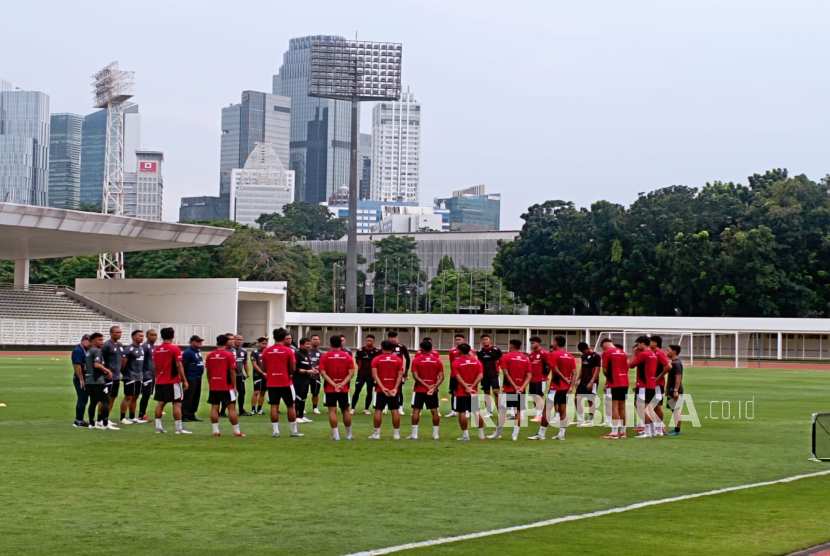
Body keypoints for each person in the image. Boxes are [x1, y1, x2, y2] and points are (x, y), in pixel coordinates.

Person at [529, 336, 575, 440]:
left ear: (556, 343)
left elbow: (555, 369)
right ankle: (561, 434)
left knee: (547, 410)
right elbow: (574, 372)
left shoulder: (553, 354)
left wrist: (564, 379)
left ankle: (541, 434)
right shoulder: (570, 355)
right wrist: (571, 385)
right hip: (566, 388)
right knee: (563, 410)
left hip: (556, 386)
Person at [261, 328, 303, 438]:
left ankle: (276, 431)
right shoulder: (288, 350)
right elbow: (293, 367)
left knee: (274, 407)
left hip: (272, 383)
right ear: (285, 337)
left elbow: (264, 367)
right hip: (285, 382)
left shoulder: (266, 351)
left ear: (274, 337)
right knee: (291, 406)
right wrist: (288, 373)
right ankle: (293, 431)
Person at [490, 339, 531, 441]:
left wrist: (514, 386)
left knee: (502, 411)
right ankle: (514, 435)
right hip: (521, 390)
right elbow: (529, 375)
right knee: (518, 412)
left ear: (511, 346)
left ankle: (498, 433)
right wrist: (521, 387)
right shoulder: (525, 358)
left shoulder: (506, 356)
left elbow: (506, 373)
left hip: (509, 389)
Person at [206, 334, 245, 437]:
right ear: (227, 342)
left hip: (214, 385)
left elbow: (208, 372)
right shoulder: (229, 355)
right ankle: (237, 432)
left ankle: (215, 431)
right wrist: (234, 386)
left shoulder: (210, 355)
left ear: (217, 342)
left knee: (214, 408)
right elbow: (232, 372)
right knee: (231, 408)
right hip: (226, 386)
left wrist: (211, 383)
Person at [153, 327, 190, 434]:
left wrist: (157, 377)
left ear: (161, 336)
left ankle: (158, 427)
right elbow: (179, 366)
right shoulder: (175, 348)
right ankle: (179, 429)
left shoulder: (157, 349)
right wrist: (184, 380)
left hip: (160, 380)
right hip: (172, 381)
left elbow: (155, 366)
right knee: (177, 403)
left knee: (160, 403)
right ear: (173, 336)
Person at [318, 335, 355, 440]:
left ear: (330, 344)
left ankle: (336, 435)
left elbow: (323, 372)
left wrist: (334, 384)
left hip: (330, 388)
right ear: (341, 344)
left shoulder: (325, 356)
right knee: (345, 410)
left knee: (332, 411)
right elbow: (351, 372)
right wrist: (342, 384)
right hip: (344, 388)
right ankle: (348, 435)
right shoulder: (347, 356)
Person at [368, 340, 405, 439]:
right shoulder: (398, 360)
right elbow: (400, 375)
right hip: (393, 390)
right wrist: (395, 388)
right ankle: (396, 434)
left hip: (380, 390)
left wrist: (382, 388)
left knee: (378, 410)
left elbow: (374, 375)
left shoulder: (376, 359)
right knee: (395, 411)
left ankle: (377, 434)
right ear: (392, 348)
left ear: (381, 347)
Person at [409, 339, 444, 440]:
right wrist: (433, 387)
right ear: (431, 349)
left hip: (419, 389)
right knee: (434, 411)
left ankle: (414, 434)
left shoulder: (416, 360)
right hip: (433, 391)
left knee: (416, 410)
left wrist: (426, 386)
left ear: (421, 348)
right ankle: (436, 434)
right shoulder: (437, 361)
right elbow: (441, 377)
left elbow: (416, 376)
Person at [450, 343, 484, 441]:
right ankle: (481, 435)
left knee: (462, 412)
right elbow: (480, 375)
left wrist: (466, 387)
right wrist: (472, 387)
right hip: (473, 391)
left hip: (461, 391)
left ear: (459, 351)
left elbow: (458, 377)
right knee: (476, 411)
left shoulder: (456, 363)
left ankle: (466, 435)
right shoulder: (476, 362)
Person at [600, 338, 631, 439]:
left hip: (614, 381)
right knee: (622, 407)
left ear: (605, 345)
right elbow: (627, 367)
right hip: (624, 381)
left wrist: (609, 379)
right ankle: (623, 431)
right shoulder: (623, 352)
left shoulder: (607, 353)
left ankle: (614, 432)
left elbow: (604, 369)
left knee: (614, 407)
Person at [85, 333, 117, 430]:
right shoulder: (97, 351)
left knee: (93, 401)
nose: (102, 342)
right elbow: (97, 365)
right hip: (97, 380)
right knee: (105, 400)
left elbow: (86, 366)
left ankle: (91, 423)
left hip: (89, 380)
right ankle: (105, 424)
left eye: (102, 340)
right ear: (92, 341)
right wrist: (107, 370)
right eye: (99, 340)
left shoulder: (89, 351)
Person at [629, 336, 659, 439]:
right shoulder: (653, 354)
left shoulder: (643, 354)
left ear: (642, 344)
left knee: (644, 407)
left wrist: (633, 353)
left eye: (638, 344)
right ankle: (652, 430)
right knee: (649, 408)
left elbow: (631, 365)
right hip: (651, 384)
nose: (637, 346)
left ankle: (647, 431)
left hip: (643, 385)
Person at [119, 330, 145, 425]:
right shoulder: (128, 349)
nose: (141, 338)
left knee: (136, 396)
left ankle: (132, 416)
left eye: (142, 336)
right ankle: (122, 417)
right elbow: (123, 364)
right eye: (139, 336)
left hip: (139, 377)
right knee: (128, 396)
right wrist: (125, 374)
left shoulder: (141, 349)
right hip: (130, 376)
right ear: (134, 337)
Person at [352, 334, 381, 415]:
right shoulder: (360, 350)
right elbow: (357, 360)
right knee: (357, 391)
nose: (369, 342)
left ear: (374, 341)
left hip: (371, 375)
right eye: (367, 340)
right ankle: (352, 408)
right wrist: (361, 369)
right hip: (361, 374)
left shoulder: (377, 351)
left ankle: (366, 409)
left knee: (369, 391)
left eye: (370, 340)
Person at [650, 335, 672, 436]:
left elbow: (668, 366)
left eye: (651, 341)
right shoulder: (652, 353)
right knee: (652, 406)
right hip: (652, 384)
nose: (649, 343)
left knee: (656, 405)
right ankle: (656, 426)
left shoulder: (660, 353)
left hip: (658, 384)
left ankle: (661, 427)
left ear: (656, 343)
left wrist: (658, 378)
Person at [575, 341, 601, 426]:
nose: (583, 353)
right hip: (583, 380)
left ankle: (590, 420)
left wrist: (592, 382)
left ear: (587, 348)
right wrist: (577, 379)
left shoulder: (596, 356)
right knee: (576, 399)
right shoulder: (583, 356)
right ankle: (580, 419)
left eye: (584, 351)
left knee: (590, 400)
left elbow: (597, 370)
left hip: (592, 380)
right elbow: (582, 368)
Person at [476, 334, 503, 417]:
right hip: (484, 375)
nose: (485, 341)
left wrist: (500, 369)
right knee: (486, 393)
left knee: (496, 392)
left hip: (494, 374)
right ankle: (489, 411)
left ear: (490, 340)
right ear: (481, 341)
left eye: (486, 339)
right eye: (483, 339)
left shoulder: (496, 350)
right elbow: (479, 363)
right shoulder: (480, 351)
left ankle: (500, 411)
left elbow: (501, 360)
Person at [181, 335, 205, 422]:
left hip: (198, 376)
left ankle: (191, 414)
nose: (200, 343)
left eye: (200, 341)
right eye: (197, 341)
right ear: (192, 342)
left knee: (196, 397)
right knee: (189, 397)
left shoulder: (197, 351)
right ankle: (184, 414)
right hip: (190, 377)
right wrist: (183, 378)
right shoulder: (188, 352)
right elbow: (183, 365)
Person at [101, 326, 124, 415]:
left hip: (116, 376)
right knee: (106, 398)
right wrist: (105, 371)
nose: (119, 334)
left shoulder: (120, 345)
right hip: (108, 376)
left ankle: (107, 417)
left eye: (120, 333)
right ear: (111, 333)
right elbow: (100, 359)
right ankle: (101, 418)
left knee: (113, 397)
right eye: (116, 332)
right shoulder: (107, 345)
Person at [387, 331, 410, 415]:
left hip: (399, 372)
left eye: (395, 337)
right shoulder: (385, 346)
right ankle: (385, 407)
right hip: (387, 372)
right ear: (388, 338)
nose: (394, 339)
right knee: (385, 388)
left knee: (399, 389)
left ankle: (400, 407)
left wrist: (406, 371)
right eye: (392, 337)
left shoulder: (402, 347)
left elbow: (408, 359)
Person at [293, 338, 315, 423]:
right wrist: (306, 371)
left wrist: (313, 370)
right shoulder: (297, 354)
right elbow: (295, 368)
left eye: (309, 344)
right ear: (301, 345)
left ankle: (301, 415)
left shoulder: (307, 354)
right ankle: (295, 416)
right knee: (298, 398)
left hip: (306, 379)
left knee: (304, 398)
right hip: (299, 380)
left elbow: (308, 366)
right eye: (307, 344)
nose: (309, 346)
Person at [527, 336, 549, 423]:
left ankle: (540, 415)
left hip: (541, 378)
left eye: (533, 343)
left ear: (539, 343)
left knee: (539, 396)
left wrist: (545, 375)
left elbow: (549, 365)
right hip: (532, 379)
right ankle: (538, 414)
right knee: (533, 396)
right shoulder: (531, 354)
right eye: (531, 343)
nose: (532, 345)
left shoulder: (544, 353)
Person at [71, 334, 91, 428]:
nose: (90, 343)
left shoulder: (87, 349)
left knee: (85, 398)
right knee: (82, 398)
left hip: (87, 377)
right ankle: (78, 420)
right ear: (83, 340)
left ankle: (81, 419)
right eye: (89, 341)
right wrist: (81, 379)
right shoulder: (78, 350)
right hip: (81, 377)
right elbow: (77, 365)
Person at [445, 333, 467, 418]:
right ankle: (453, 410)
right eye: (456, 340)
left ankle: (467, 410)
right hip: (454, 375)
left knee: (466, 392)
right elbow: (451, 363)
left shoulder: (469, 350)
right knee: (454, 392)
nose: (458, 341)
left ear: (464, 340)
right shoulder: (452, 351)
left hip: (465, 376)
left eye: (459, 339)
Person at [138, 329, 157, 423]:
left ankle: (142, 414)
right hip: (146, 375)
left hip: (152, 375)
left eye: (155, 335)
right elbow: (141, 360)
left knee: (147, 395)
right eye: (152, 335)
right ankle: (141, 415)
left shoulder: (153, 347)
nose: (154, 336)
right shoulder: (145, 347)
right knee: (145, 395)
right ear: (147, 336)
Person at [666, 344, 685, 436]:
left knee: (676, 409)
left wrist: (675, 390)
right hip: (672, 389)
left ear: (674, 351)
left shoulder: (676, 363)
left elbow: (678, 377)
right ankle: (676, 429)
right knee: (674, 409)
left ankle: (677, 430)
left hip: (675, 390)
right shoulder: (674, 362)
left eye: (668, 350)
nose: (667, 352)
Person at [233, 334, 251, 416]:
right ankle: (225, 411)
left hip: (240, 375)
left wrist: (247, 372)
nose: (239, 341)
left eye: (241, 340)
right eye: (238, 339)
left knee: (242, 392)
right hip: (231, 375)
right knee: (231, 393)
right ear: (234, 340)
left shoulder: (243, 351)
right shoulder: (230, 350)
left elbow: (245, 363)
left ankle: (241, 410)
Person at [250, 336, 268, 415]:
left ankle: (259, 409)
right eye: (263, 343)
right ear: (258, 343)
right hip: (258, 374)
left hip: (266, 375)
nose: (264, 345)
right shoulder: (255, 352)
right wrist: (261, 372)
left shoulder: (267, 352)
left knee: (263, 392)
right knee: (256, 392)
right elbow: (254, 364)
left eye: (266, 344)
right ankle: (253, 409)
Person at [308, 334, 323, 415]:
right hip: (306, 375)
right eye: (314, 339)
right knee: (303, 392)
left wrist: (318, 367)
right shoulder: (307, 351)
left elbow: (323, 364)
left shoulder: (321, 353)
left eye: (317, 339)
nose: (315, 341)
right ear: (311, 341)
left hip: (316, 376)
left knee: (315, 393)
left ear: (319, 341)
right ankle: (302, 407)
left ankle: (315, 407)